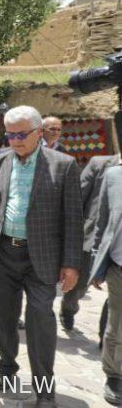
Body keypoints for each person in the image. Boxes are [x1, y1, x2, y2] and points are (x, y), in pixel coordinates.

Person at [0, 105, 81, 404]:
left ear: (39, 132)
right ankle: (7, 366)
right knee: (4, 316)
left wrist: (72, 263)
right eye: (10, 135)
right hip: (3, 255)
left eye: (22, 134)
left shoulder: (63, 165)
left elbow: (74, 218)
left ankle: (44, 390)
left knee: (40, 319)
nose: (15, 141)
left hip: (42, 257)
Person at [61, 154, 120, 332]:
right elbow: (79, 196)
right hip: (94, 235)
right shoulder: (100, 164)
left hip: (118, 241)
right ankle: (68, 307)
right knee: (81, 285)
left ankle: (106, 336)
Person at [87, 163, 122, 406]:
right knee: (118, 325)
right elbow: (103, 222)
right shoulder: (113, 175)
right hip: (119, 265)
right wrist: (97, 266)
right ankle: (114, 374)